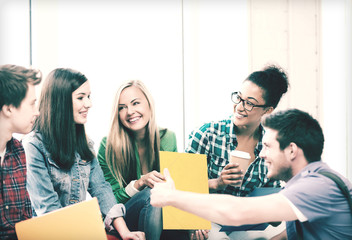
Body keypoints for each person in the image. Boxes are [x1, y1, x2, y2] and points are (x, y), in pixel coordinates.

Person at [150, 109, 352, 239]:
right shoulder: (310, 182)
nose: (262, 154)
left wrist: (171, 197)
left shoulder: (316, 186)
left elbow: (236, 212)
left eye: (267, 147)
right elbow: (286, 236)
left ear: (291, 150)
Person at [22, 68, 145, 240]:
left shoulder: (84, 144)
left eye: (89, 96)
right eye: (81, 97)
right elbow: (48, 209)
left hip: (77, 232)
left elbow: (101, 189)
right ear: (61, 101)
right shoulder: (33, 146)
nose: (88, 104)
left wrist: (125, 233)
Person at [185, 64, 289, 239]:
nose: (239, 107)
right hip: (208, 219)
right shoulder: (207, 134)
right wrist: (217, 183)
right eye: (239, 98)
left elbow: (275, 218)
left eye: (249, 103)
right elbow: (181, 184)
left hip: (245, 225)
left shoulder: (271, 148)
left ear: (268, 110)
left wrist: (277, 210)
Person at [97, 80, 181, 240]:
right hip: (125, 218)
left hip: (161, 215)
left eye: (135, 103)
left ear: (149, 104)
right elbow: (109, 201)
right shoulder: (108, 146)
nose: (129, 111)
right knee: (152, 193)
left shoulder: (167, 138)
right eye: (122, 108)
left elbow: (176, 187)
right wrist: (139, 183)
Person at [0, 64, 42, 240]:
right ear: (9, 108)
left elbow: (25, 219)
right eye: (32, 104)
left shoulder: (18, 150)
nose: (37, 112)